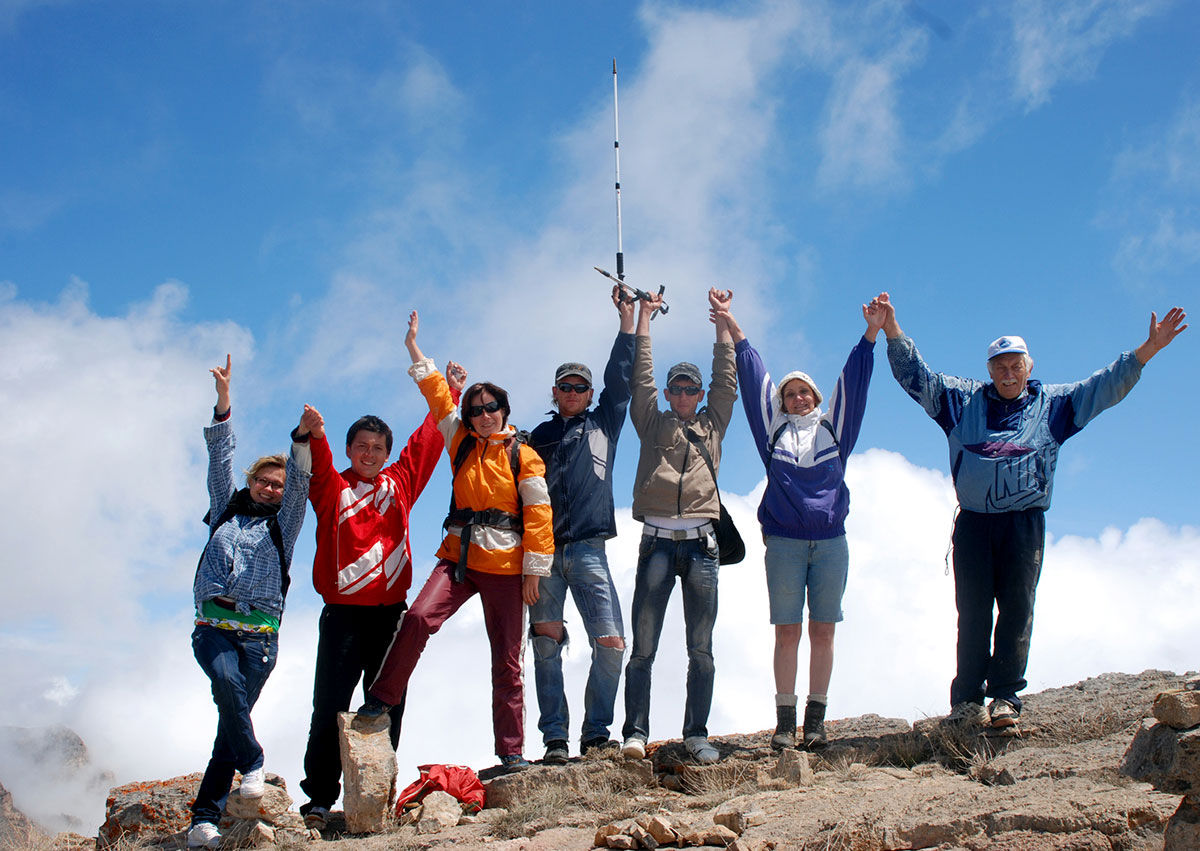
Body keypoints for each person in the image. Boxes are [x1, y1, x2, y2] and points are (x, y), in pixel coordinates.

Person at [883, 296, 1187, 729]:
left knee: (1017, 607)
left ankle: (1005, 697)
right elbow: (917, 379)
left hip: (1025, 524)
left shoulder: (1054, 405)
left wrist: (1148, 350)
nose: (1008, 374)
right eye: (1000, 367)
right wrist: (893, 331)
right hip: (973, 524)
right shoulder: (961, 402)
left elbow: (1104, 387)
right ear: (990, 371)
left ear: (1028, 367)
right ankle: (967, 700)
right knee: (972, 611)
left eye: (1015, 366)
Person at [357, 310, 554, 772]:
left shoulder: (523, 455)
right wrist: (414, 349)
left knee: (507, 661)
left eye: (491, 408)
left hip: (508, 568)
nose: (483, 415)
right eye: (476, 409)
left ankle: (510, 750)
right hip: (459, 559)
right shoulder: (459, 439)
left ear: (504, 410)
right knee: (419, 618)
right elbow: (437, 396)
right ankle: (382, 699)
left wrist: (534, 571)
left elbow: (540, 513)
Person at [714, 294, 887, 750]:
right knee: (787, 631)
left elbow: (855, 383)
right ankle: (785, 722)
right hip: (786, 544)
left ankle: (817, 719)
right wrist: (734, 327)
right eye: (789, 394)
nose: (796, 397)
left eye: (803, 392)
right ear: (782, 402)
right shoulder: (772, 430)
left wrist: (871, 334)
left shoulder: (834, 428)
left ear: (815, 398)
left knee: (823, 631)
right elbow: (754, 380)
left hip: (831, 543)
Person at [297, 372, 459, 829]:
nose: (369, 454)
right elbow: (320, 463)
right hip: (342, 618)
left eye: (378, 448)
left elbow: (426, 441)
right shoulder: (333, 489)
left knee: (388, 705)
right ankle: (318, 800)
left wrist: (450, 390)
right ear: (350, 450)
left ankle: (377, 799)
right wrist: (316, 433)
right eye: (361, 446)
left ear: (386, 454)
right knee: (329, 705)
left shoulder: (400, 484)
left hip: (391, 618)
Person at [188, 355, 312, 849]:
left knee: (229, 720)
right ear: (251, 481)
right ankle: (254, 761)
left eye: (277, 484)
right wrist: (223, 403)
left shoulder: (285, 527)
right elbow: (219, 462)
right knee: (224, 684)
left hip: (260, 639)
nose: (270, 487)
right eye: (263, 479)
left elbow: (302, 485)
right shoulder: (225, 512)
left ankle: (204, 820)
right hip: (213, 626)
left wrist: (300, 439)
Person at [620, 289, 738, 765]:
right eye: (679, 389)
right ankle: (634, 733)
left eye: (692, 389)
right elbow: (639, 379)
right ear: (669, 394)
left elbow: (726, 379)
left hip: (701, 547)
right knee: (643, 647)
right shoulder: (651, 423)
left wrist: (722, 325)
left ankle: (696, 734)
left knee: (701, 649)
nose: (686, 395)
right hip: (656, 544)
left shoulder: (714, 424)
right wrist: (644, 318)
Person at [528, 285, 635, 764]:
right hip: (545, 553)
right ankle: (555, 739)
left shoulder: (605, 421)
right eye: (565, 387)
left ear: (589, 394)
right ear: (554, 392)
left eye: (580, 388)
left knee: (610, 643)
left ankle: (595, 734)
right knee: (546, 646)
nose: (572, 393)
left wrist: (626, 323)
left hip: (590, 549)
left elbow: (622, 376)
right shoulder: (536, 437)